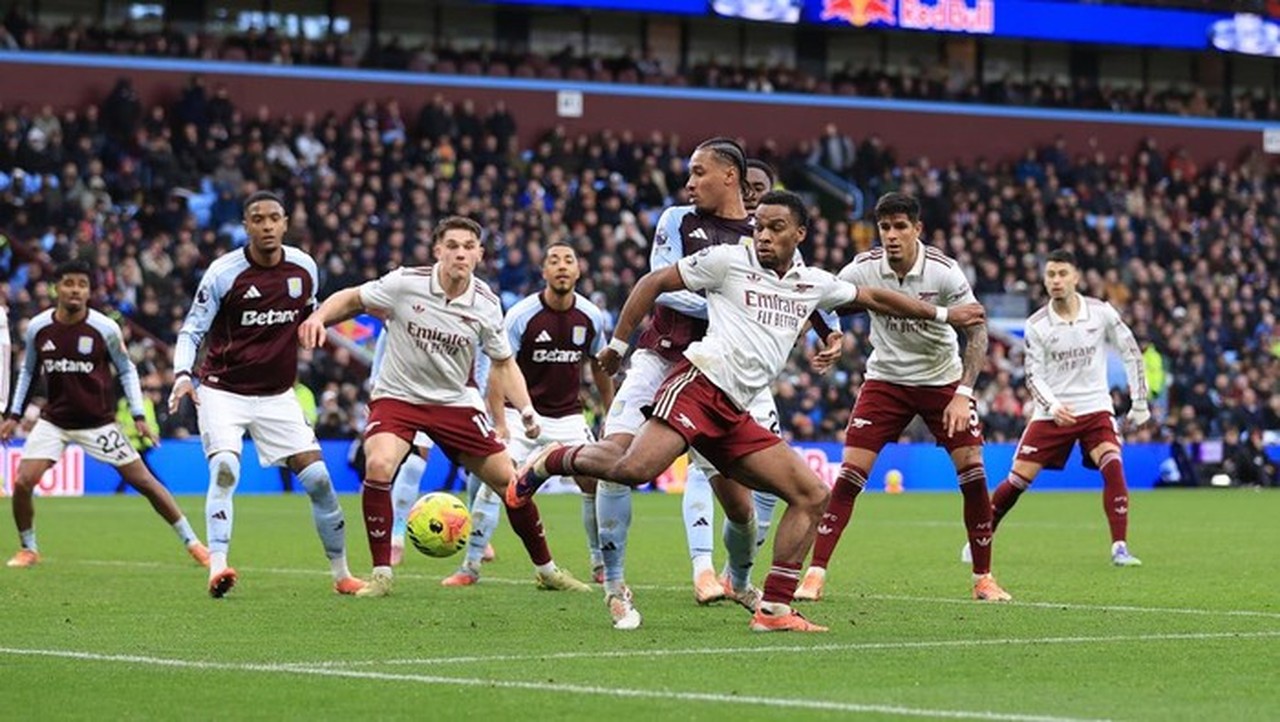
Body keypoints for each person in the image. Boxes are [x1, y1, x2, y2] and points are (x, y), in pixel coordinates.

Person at [509, 190, 985, 632]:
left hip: (736, 411)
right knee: (634, 468)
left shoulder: (811, 283)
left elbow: (876, 298)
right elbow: (655, 280)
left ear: (799, 234)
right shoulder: (726, 262)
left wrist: (943, 316)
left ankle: (775, 607)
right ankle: (552, 459)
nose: (762, 235)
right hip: (698, 387)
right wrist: (618, 342)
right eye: (759, 226)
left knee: (811, 494)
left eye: (776, 228)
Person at [298, 215, 590, 598]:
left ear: (480, 254)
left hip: (455, 402)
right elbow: (352, 299)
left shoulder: (486, 303)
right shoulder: (405, 283)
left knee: (514, 485)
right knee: (381, 464)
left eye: (469, 247)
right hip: (398, 397)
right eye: (452, 246)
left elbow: (503, 364)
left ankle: (547, 570)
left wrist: (527, 410)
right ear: (437, 251)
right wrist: (319, 316)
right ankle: (382, 574)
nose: (460, 254)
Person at [796, 192, 1012, 603]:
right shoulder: (862, 268)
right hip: (886, 381)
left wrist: (963, 393)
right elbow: (819, 300)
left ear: (917, 230)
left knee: (973, 473)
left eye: (900, 227)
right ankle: (815, 575)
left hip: (942, 380)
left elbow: (977, 329)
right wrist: (831, 335)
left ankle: (984, 578)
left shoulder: (945, 273)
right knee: (849, 477)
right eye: (884, 228)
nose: (891, 236)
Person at [170, 190, 365, 598]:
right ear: (246, 226)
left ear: (285, 223)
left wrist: (315, 325)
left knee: (320, 481)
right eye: (257, 219)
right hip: (223, 391)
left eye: (273, 218)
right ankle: (218, 566)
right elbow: (192, 329)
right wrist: (182, 375)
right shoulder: (224, 273)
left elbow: (313, 313)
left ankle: (342, 574)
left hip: (278, 396)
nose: (266, 226)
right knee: (225, 468)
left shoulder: (303, 268)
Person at [2, 260, 208, 568]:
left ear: (89, 290)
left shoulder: (104, 328)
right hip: (54, 422)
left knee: (145, 482)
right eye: (69, 283)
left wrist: (138, 415)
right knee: (22, 483)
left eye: (82, 285)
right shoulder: (38, 327)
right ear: (58, 287)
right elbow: (29, 371)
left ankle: (194, 543)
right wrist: (13, 415)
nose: (75, 290)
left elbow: (126, 369)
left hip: (98, 423)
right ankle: (28, 548)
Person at [442, 241, 613, 587]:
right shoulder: (521, 315)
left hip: (568, 417)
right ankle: (470, 566)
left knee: (593, 483)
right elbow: (498, 369)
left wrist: (611, 411)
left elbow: (600, 365)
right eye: (554, 261)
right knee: (496, 486)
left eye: (569, 260)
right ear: (544, 272)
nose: (562, 266)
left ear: (578, 270)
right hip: (522, 416)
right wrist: (501, 424)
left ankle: (599, 562)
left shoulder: (591, 316)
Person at [976, 249, 1151, 566]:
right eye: (1050, 275)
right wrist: (1053, 406)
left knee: (1113, 464)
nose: (1056, 281)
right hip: (1051, 413)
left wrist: (1139, 400)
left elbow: (1131, 351)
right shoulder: (1038, 325)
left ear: (1076, 278)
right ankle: (982, 535)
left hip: (1095, 407)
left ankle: (1120, 548)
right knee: (1017, 481)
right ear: (1044, 281)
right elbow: (1033, 375)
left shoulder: (1101, 313)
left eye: (1062, 274)